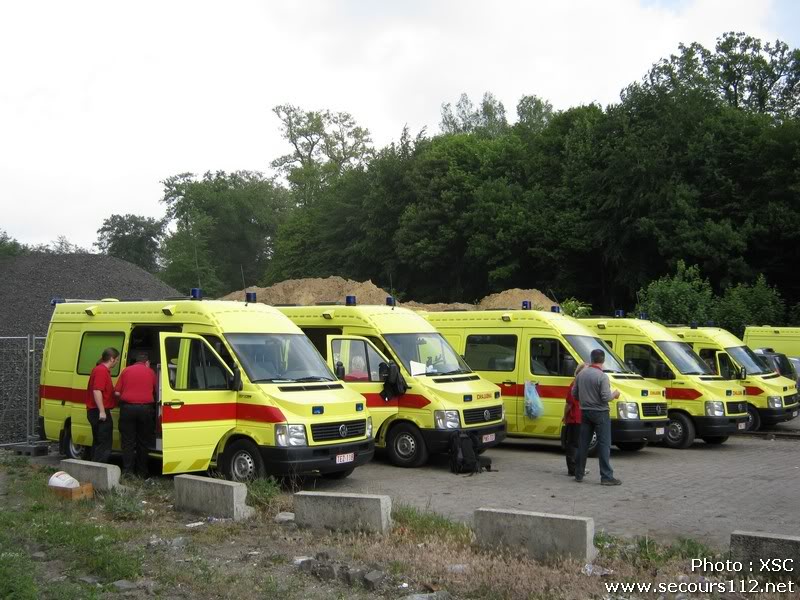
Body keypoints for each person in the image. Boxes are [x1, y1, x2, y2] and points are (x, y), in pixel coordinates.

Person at [573, 348, 622, 485]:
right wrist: (615, 394)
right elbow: (606, 397)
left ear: (591, 358)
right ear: (603, 360)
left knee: (583, 444)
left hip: (585, 412)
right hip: (600, 413)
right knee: (604, 445)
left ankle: (579, 473)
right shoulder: (602, 377)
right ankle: (606, 476)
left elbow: (574, 394)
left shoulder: (581, 375)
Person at [115, 350, 158, 477]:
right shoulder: (151, 372)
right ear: (147, 362)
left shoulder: (126, 371)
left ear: (135, 361)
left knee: (128, 442)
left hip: (127, 409)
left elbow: (117, 392)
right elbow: (157, 391)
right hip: (145, 409)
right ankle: (142, 473)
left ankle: (128, 472)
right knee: (143, 442)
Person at [86, 347, 120, 463]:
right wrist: (102, 411)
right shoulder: (101, 371)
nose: (117, 362)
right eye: (117, 360)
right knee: (104, 444)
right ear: (111, 359)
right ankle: (99, 469)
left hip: (96, 411)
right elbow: (97, 390)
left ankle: (94, 468)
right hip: (99, 412)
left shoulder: (99, 370)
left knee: (98, 442)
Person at [563, 363, 588, 477]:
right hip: (575, 418)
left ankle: (577, 468)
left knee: (575, 444)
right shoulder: (576, 384)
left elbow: (568, 404)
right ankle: (573, 469)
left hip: (577, 418)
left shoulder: (577, 384)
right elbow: (569, 404)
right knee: (574, 445)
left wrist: (565, 415)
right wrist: (565, 416)